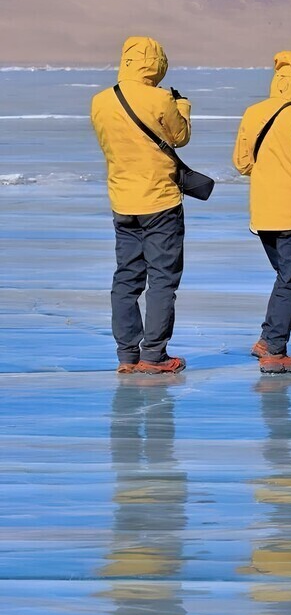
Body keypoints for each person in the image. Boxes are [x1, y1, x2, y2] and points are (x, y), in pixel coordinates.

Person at [91, 36, 191, 374]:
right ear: (156, 64)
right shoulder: (160, 98)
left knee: (126, 278)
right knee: (162, 278)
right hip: (159, 199)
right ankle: (154, 355)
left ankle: (127, 355)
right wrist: (183, 107)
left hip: (122, 200)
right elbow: (180, 136)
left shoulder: (100, 102)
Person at [233, 51, 291, 373]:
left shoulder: (252, 113)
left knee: (286, 277)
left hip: (262, 212)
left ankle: (267, 339)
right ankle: (275, 351)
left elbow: (242, 163)